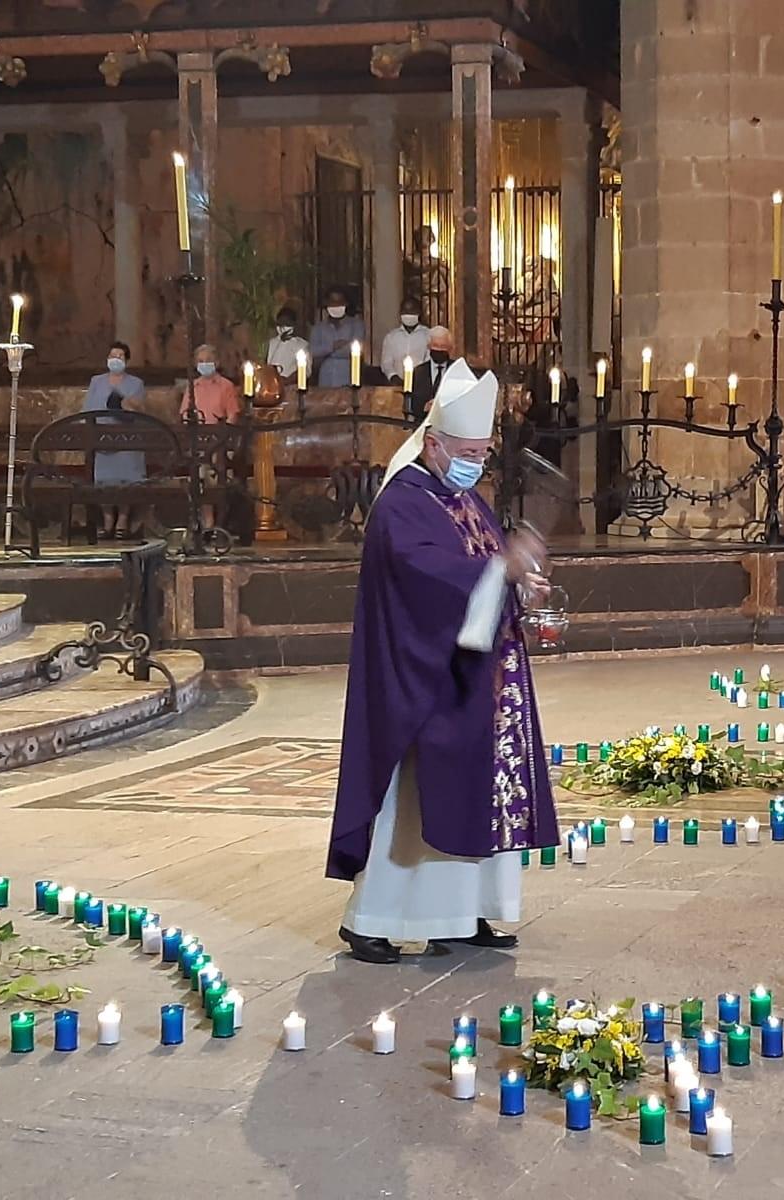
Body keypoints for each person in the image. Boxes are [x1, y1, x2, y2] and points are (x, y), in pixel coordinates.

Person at [328, 358, 558, 964]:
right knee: (415, 800)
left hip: (478, 676)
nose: (477, 463)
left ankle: (466, 914)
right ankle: (372, 919)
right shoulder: (402, 502)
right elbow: (424, 576)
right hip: (424, 679)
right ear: (433, 444)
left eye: (484, 452)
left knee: (479, 789)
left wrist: (518, 584)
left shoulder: (464, 497)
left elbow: (489, 562)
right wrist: (497, 571)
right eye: (468, 451)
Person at [82, 340, 146, 539]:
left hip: (126, 438)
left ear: (126, 360)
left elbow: (138, 411)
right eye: (112, 356)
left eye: (119, 356)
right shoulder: (97, 381)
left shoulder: (135, 383)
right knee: (104, 480)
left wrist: (125, 404)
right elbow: (88, 409)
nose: (115, 360)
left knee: (126, 478)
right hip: (101, 436)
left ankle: (123, 519)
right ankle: (108, 518)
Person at [181, 343, 244, 531]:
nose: (204, 364)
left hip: (219, 443)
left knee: (214, 477)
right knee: (199, 475)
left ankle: (217, 523)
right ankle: (206, 521)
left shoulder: (226, 386)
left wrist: (224, 440)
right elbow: (185, 413)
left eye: (208, 360)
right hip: (198, 441)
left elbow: (233, 415)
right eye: (200, 361)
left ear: (216, 362)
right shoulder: (193, 386)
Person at [307, 287, 366, 389]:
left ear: (346, 303)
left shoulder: (356, 325)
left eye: (339, 302)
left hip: (348, 376)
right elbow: (313, 351)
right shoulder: (318, 328)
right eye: (332, 302)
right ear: (326, 303)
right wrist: (333, 346)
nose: (336, 305)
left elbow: (355, 349)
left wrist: (325, 352)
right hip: (325, 377)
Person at [404, 325, 455, 420]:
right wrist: (425, 407)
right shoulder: (418, 372)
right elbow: (413, 405)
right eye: (435, 345)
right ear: (429, 346)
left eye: (443, 346)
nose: (439, 350)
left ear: (450, 348)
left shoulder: (457, 371)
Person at [379, 301, 431, 386]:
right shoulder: (391, 337)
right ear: (400, 313)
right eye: (405, 311)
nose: (409, 314)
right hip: (397, 384)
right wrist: (393, 376)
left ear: (419, 312)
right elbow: (386, 363)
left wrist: (418, 377)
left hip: (421, 384)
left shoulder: (428, 335)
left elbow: (428, 360)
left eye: (412, 311)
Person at [266, 307, 309, 379]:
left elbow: (305, 371)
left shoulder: (302, 345)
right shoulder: (272, 343)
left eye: (286, 324)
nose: (282, 328)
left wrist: (287, 380)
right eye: (279, 324)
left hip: (290, 385)